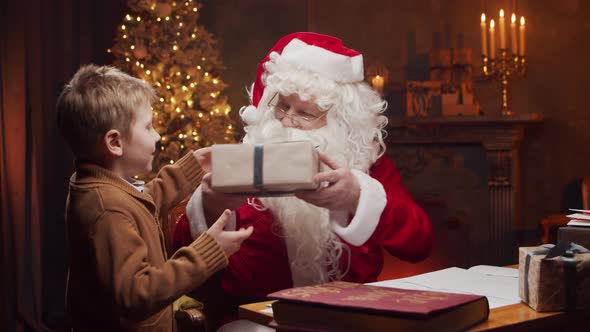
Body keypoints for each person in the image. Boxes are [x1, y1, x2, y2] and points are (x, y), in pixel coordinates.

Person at [172, 32, 434, 329]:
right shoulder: (245, 163)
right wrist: (210, 206)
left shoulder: (369, 168)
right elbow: (185, 270)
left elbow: (419, 244)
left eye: (306, 112)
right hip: (253, 322)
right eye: (282, 106)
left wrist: (358, 197)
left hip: (346, 322)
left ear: (342, 120)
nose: (288, 120)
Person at [56, 64, 253, 331]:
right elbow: (137, 294)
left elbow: (140, 201)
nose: (158, 135)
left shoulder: (101, 187)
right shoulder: (107, 209)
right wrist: (207, 252)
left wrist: (192, 166)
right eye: (148, 127)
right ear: (115, 143)